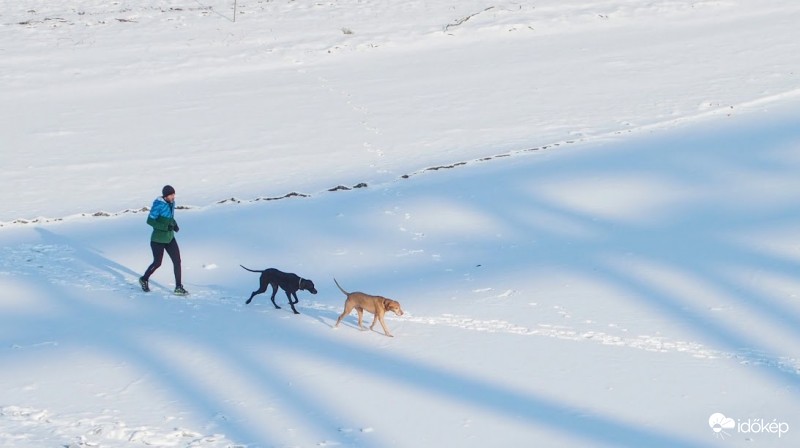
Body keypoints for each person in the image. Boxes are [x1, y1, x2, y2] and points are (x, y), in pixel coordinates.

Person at [139, 185, 188, 295]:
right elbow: (150, 221)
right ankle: (144, 279)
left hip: (170, 238)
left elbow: (169, 217)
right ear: (166, 196)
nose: (173, 196)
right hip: (157, 240)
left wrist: (174, 225)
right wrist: (165, 227)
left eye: (174, 194)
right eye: (171, 195)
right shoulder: (158, 205)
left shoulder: (171, 203)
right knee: (157, 263)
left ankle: (178, 287)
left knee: (177, 261)